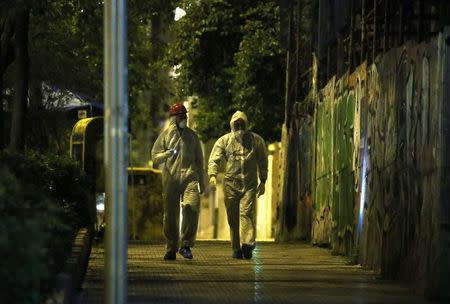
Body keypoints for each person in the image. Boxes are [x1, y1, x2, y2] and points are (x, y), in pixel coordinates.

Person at [208, 110, 268, 259]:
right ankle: (236, 247)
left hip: (249, 183)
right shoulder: (224, 141)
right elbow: (214, 159)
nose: (239, 127)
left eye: (242, 124)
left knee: (246, 213)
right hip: (231, 184)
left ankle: (247, 244)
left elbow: (263, 161)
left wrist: (263, 180)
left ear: (246, 125)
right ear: (232, 126)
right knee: (232, 217)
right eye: (237, 124)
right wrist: (212, 175)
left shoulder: (256, 141)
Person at [151, 102, 205, 260]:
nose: (184, 119)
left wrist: (202, 181)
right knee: (170, 214)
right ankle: (171, 247)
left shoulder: (192, 136)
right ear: (174, 118)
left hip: (190, 177)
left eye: (185, 116)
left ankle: (186, 245)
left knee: (192, 207)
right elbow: (154, 156)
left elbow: (200, 161)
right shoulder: (166, 135)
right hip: (171, 178)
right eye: (181, 116)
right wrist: (165, 155)